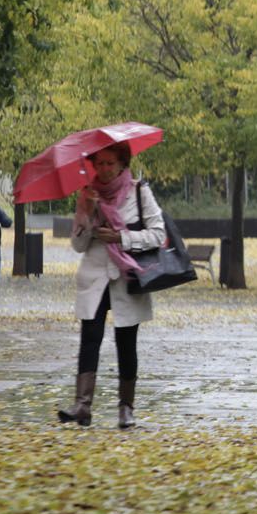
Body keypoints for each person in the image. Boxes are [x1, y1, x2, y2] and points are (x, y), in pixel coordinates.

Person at [56, 142, 166, 429]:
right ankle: (82, 405)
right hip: (94, 277)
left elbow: (158, 235)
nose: (103, 169)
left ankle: (126, 408)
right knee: (89, 338)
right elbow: (78, 245)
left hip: (128, 276)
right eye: (99, 163)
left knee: (126, 343)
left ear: (122, 164)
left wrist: (122, 238)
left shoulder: (139, 192)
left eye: (109, 163)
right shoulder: (87, 195)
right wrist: (89, 214)